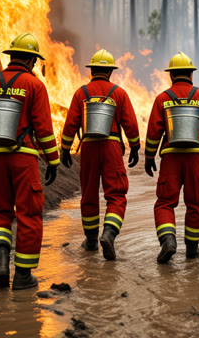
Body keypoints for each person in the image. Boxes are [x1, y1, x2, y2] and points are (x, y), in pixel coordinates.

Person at [0, 33, 60, 290]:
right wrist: (53, 160)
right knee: (28, 213)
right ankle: (23, 276)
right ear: (30, 59)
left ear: (12, 56)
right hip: (25, 160)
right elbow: (43, 129)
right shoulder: (35, 85)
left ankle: (2, 260)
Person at [60, 49, 140, 261]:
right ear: (110, 72)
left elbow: (70, 125)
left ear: (92, 70)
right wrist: (135, 146)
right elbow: (130, 124)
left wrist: (65, 149)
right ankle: (109, 234)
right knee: (116, 193)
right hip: (112, 146)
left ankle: (91, 241)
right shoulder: (119, 93)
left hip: (87, 147)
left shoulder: (81, 93)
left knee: (88, 194)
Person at [144, 52, 199, 264]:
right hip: (195, 157)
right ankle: (193, 250)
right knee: (196, 202)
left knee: (165, 203)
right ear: (191, 74)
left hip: (170, 158)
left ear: (171, 76)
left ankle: (168, 240)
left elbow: (153, 132)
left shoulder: (162, 98)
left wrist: (149, 157)